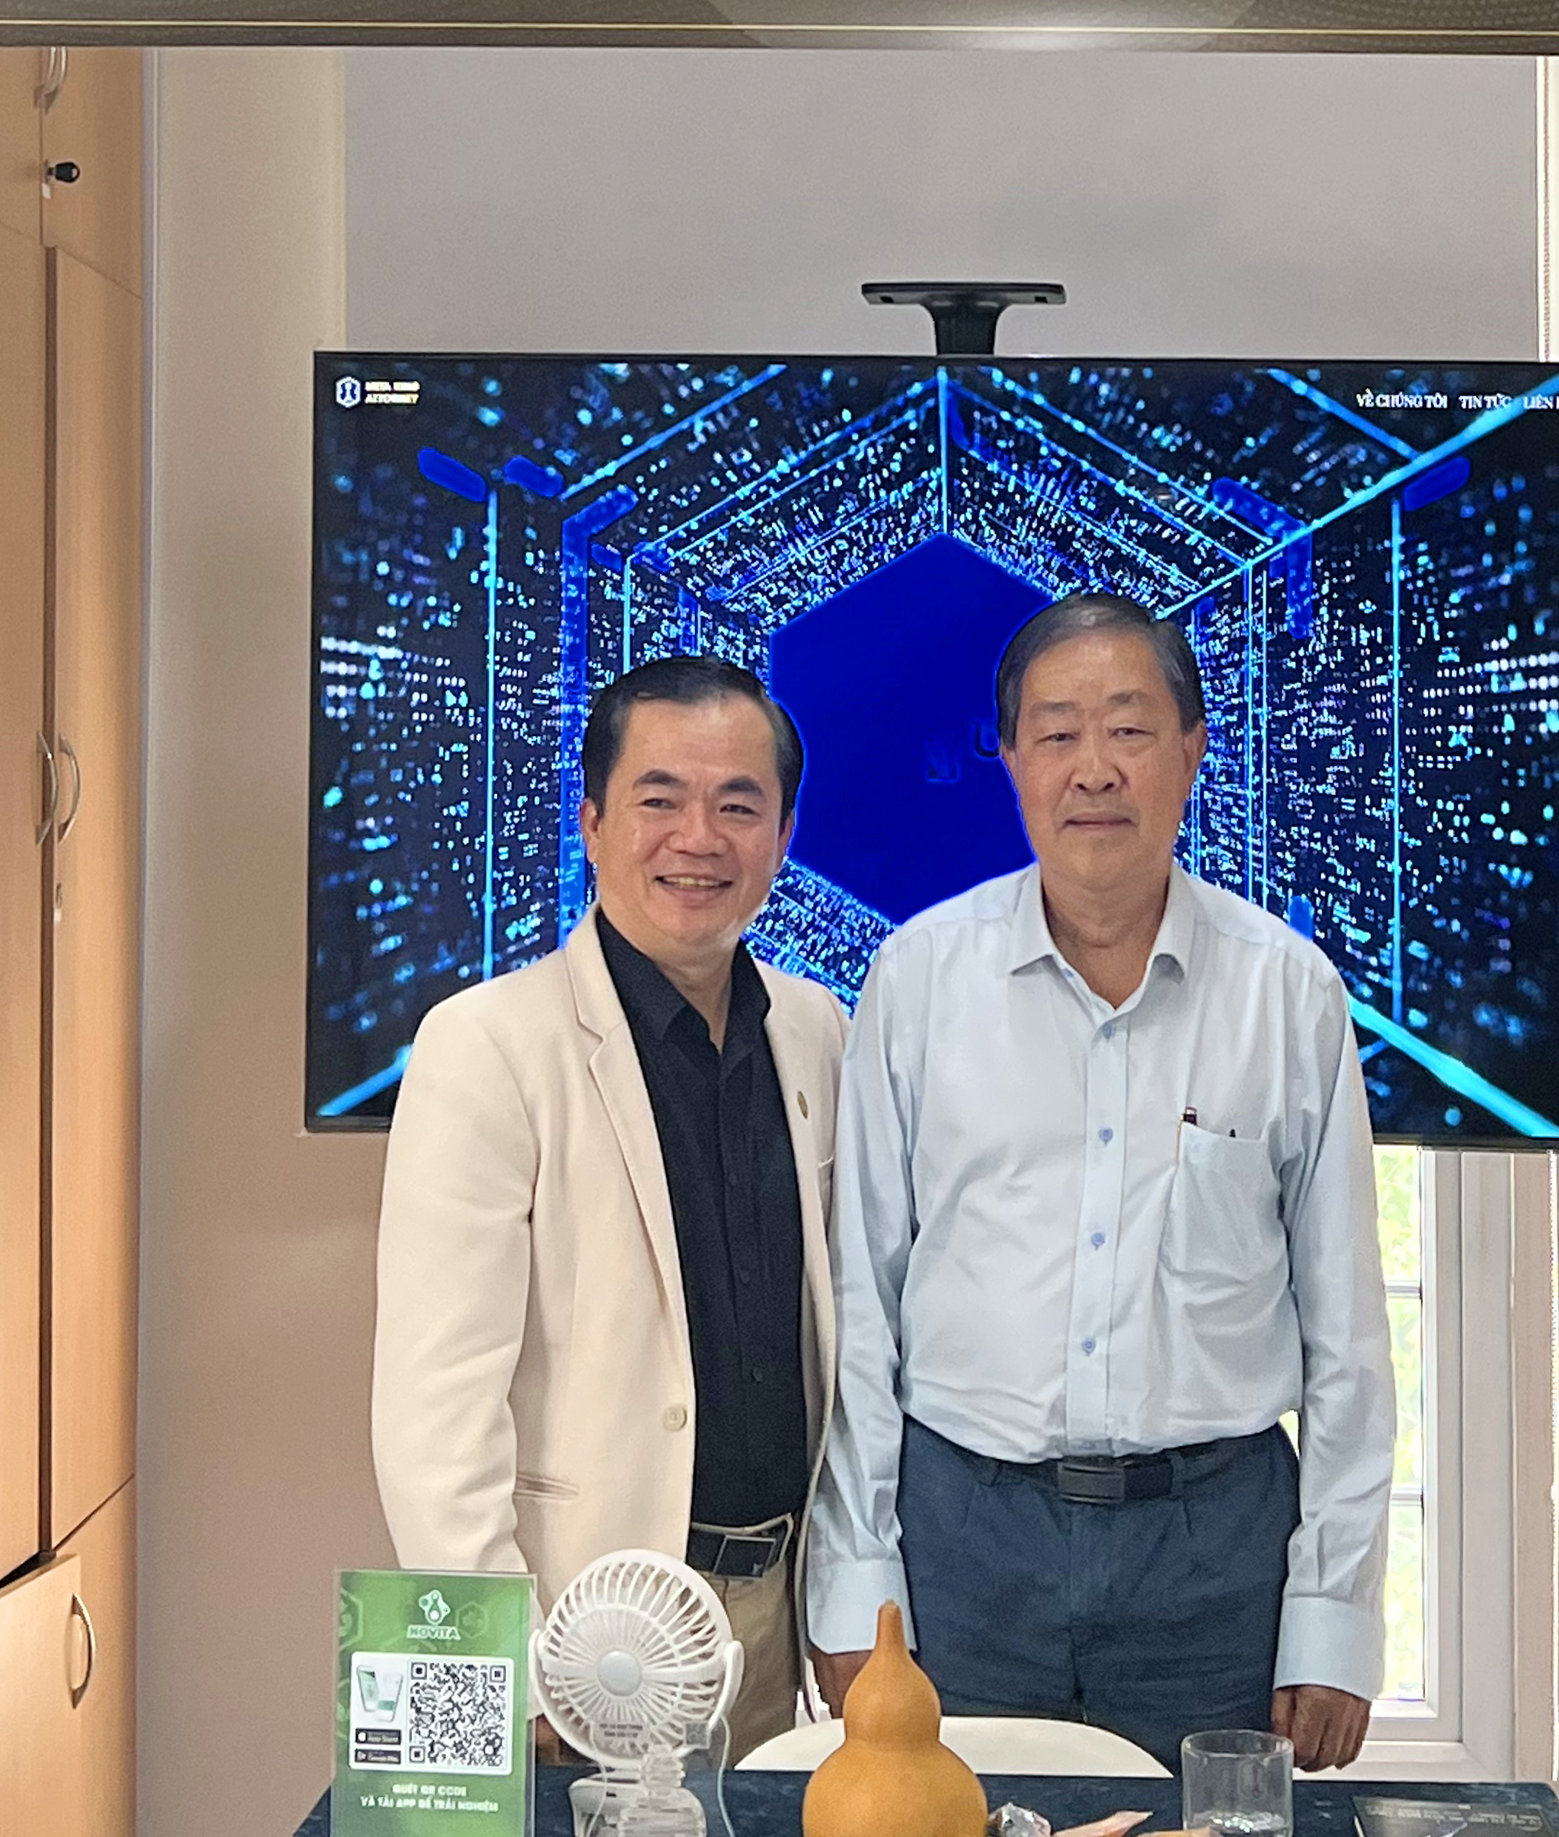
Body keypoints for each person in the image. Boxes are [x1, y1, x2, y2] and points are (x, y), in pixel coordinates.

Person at [805, 592, 1395, 1770]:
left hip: (1212, 1557)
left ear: (1191, 750)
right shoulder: (918, 980)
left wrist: (1333, 1613)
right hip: (965, 1543)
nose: (1093, 768)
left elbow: (1346, 1332)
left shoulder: (1286, 993)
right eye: (1056, 732)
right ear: (1010, 759)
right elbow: (861, 1309)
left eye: (1128, 728)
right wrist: (856, 1582)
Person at [372, 655, 846, 1759]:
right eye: (658, 799)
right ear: (591, 823)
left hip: (775, 1618)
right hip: (577, 1624)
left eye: (739, 805)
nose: (698, 838)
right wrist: (513, 1675)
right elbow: (433, 1411)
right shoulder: (487, 1044)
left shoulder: (816, 1030)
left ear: (783, 836)